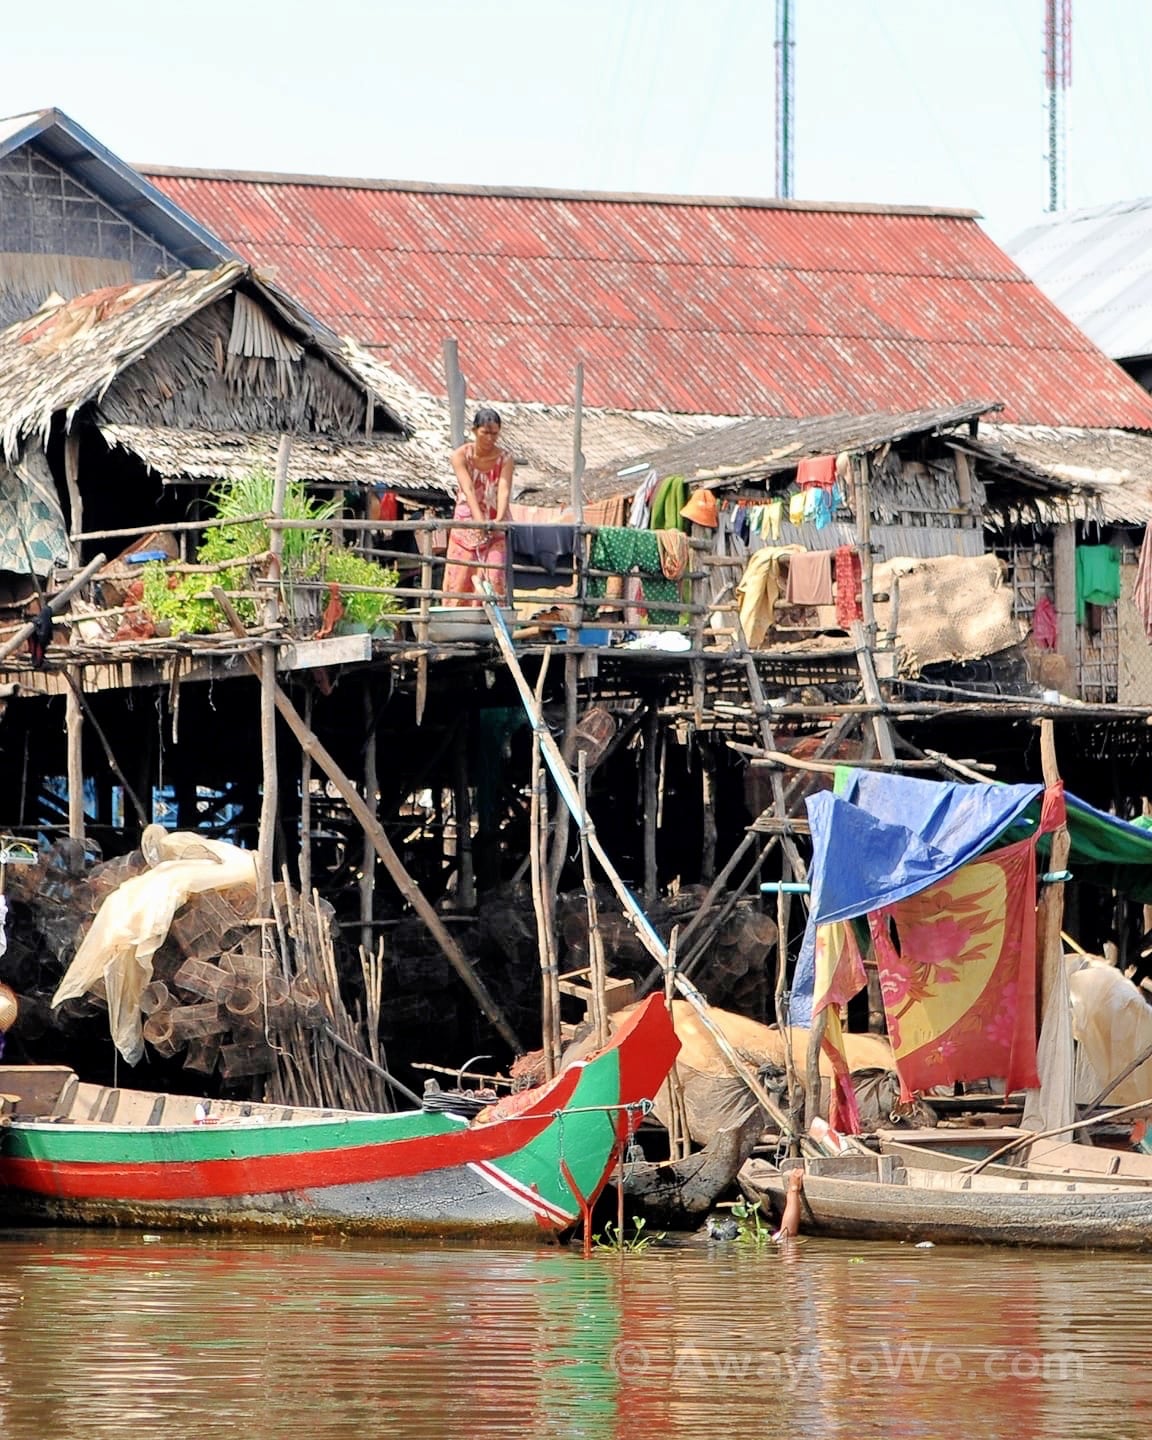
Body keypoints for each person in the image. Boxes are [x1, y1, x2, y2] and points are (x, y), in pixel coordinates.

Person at [444, 408, 514, 605]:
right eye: (485, 433)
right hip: (467, 523)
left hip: (495, 525)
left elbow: (504, 489)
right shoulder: (460, 456)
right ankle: (457, 622)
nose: (490, 438)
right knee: (461, 576)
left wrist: (499, 519)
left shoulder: (505, 459)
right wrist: (479, 521)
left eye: (494, 433)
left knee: (495, 573)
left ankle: (493, 621)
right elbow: (468, 488)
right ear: (475, 431)